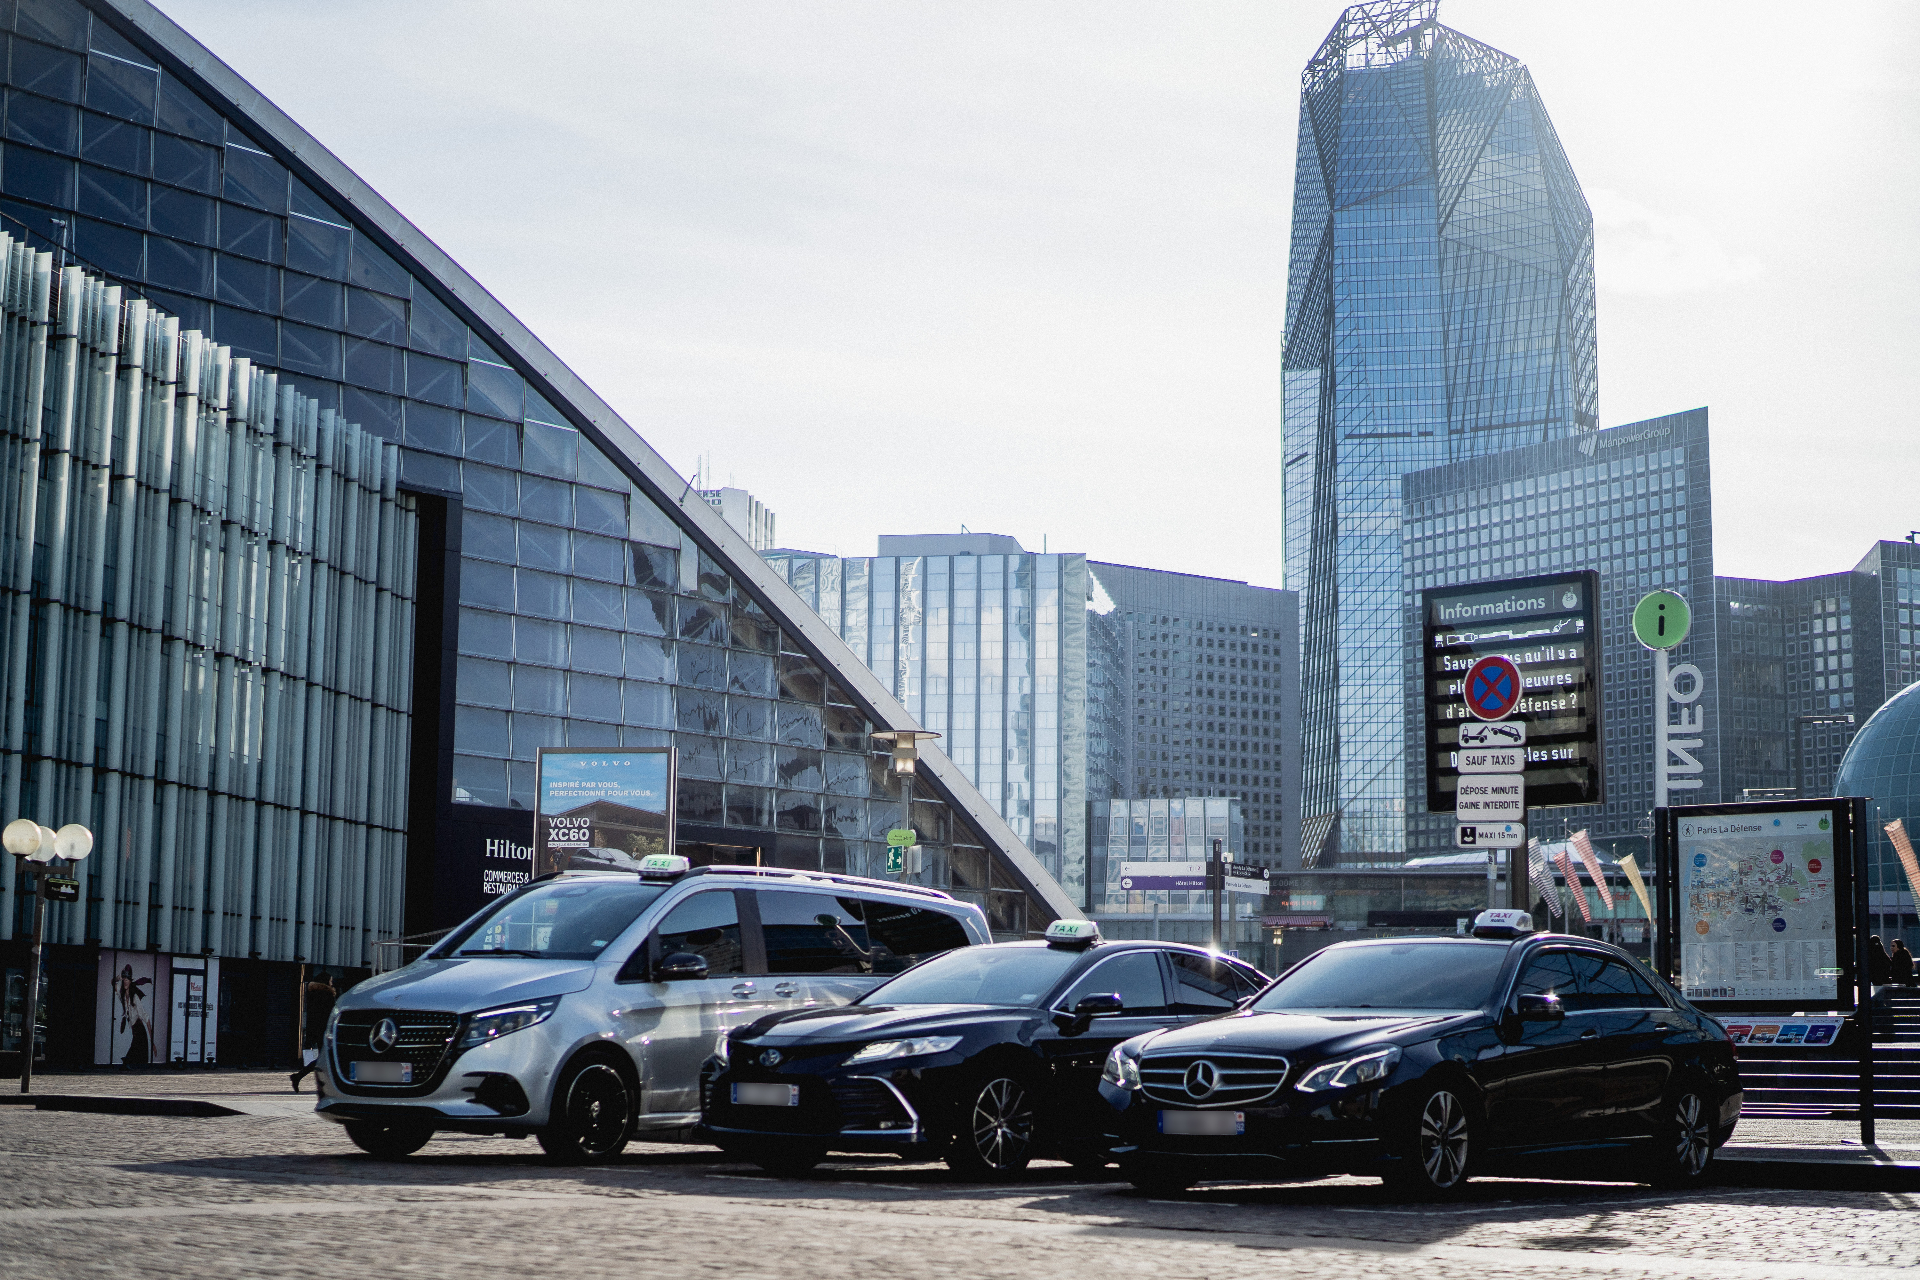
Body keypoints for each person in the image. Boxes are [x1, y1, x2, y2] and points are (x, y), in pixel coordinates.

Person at [289, 973, 337, 1092]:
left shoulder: (314, 994)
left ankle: (301, 1077)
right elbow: (330, 1015)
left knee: (325, 1059)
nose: (332, 982)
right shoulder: (327, 995)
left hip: (318, 1030)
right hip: (325, 1031)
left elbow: (312, 1016)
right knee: (325, 1059)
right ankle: (300, 1077)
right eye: (330, 980)